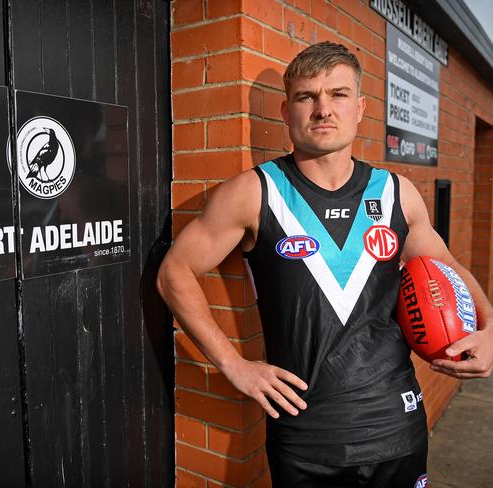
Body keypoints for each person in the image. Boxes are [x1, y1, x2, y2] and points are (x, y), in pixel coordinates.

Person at [157, 42, 493, 487]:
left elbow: (447, 267)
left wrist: (490, 329)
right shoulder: (254, 193)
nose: (322, 110)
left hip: (396, 424)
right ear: (285, 110)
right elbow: (173, 273)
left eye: (337, 95)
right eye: (306, 97)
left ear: (359, 108)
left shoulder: (396, 193)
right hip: (306, 438)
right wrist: (234, 365)